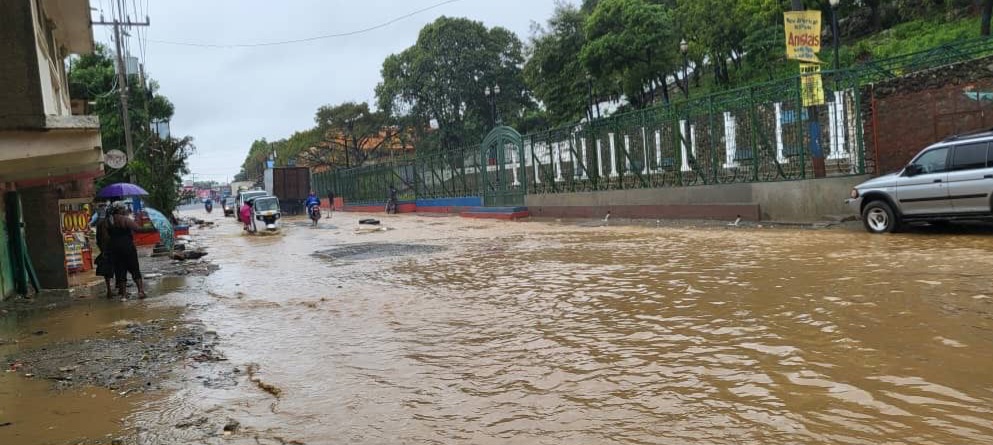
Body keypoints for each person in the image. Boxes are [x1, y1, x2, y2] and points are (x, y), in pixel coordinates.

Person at [107, 204, 145, 298]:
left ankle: (123, 295)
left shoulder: (108, 221)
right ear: (119, 210)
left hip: (115, 248)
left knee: (120, 271)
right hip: (127, 247)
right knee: (134, 268)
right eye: (123, 208)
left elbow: (105, 236)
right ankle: (140, 291)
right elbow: (138, 229)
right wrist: (151, 227)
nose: (125, 210)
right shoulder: (125, 219)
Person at [94, 204, 115, 298]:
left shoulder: (100, 224)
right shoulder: (108, 222)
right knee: (116, 268)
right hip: (109, 249)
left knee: (107, 271)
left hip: (104, 250)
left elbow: (98, 240)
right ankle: (116, 290)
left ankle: (109, 290)